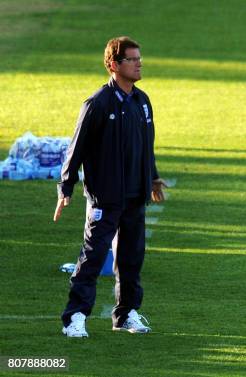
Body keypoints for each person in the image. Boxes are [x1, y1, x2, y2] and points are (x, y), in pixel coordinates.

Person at [53, 36, 167, 337]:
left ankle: (126, 313)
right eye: (132, 59)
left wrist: (152, 177)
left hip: (134, 195)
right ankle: (75, 317)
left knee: (131, 259)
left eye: (140, 58)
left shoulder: (142, 101)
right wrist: (65, 188)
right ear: (114, 65)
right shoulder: (98, 104)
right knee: (92, 257)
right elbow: (75, 149)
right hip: (106, 196)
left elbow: (146, 145)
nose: (139, 63)